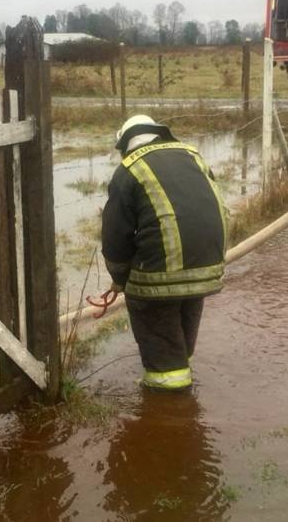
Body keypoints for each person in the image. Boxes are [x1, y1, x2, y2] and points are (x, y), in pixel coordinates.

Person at [101, 115, 227, 392]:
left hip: (161, 273)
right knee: (185, 302)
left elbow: (115, 237)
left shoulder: (129, 170)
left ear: (125, 143)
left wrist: (120, 278)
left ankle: (167, 399)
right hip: (207, 265)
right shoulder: (193, 154)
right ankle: (181, 366)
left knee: (154, 315)